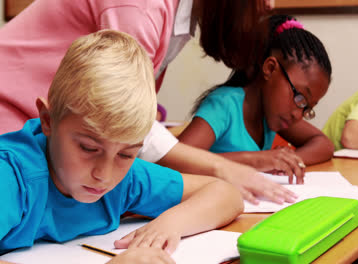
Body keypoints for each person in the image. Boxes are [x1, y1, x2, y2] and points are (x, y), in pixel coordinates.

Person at [0, 0, 294, 205]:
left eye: (126, 155)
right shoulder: (139, 8)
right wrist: (221, 168)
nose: (268, 4)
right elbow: (120, 118)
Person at [0, 30, 243, 262]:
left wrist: (170, 224)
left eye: (127, 154)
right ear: (47, 121)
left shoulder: (124, 178)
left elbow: (225, 194)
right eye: (88, 148)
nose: (103, 175)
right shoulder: (11, 180)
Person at [178, 15, 335, 184]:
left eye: (307, 108)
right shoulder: (225, 105)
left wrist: (286, 160)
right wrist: (257, 160)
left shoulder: (272, 114)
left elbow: (323, 144)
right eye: (300, 98)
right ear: (270, 68)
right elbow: (174, 161)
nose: (299, 115)